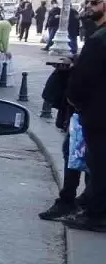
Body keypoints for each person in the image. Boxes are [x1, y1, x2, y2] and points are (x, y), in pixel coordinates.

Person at [65, 0, 106, 231]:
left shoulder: (99, 39)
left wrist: (74, 99)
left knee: (98, 163)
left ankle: (95, 213)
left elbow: (83, 77)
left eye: (95, 3)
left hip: (98, 113)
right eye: (88, 3)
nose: (89, 7)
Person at [39, 56, 87, 219]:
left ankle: (71, 201)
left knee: (76, 154)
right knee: (82, 155)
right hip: (89, 112)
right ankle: (85, 199)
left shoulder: (99, 39)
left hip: (91, 112)